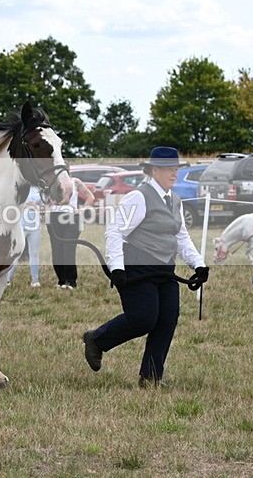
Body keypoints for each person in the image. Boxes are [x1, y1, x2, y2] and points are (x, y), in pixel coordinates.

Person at [82, 147, 209, 388]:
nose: (174, 173)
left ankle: (151, 377)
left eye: (176, 169)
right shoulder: (138, 197)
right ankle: (97, 340)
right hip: (137, 267)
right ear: (154, 170)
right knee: (143, 319)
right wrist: (117, 268)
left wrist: (198, 264)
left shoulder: (175, 200)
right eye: (170, 169)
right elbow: (115, 231)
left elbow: (181, 237)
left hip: (164, 270)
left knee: (167, 319)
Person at [46, 177, 95, 289]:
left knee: (68, 250)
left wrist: (81, 210)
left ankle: (71, 281)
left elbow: (90, 197)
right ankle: (61, 280)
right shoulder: (52, 183)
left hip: (72, 218)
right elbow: (47, 201)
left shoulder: (75, 182)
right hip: (54, 218)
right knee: (56, 250)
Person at [6, 186, 44, 287]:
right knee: (15, 253)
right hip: (21, 226)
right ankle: (7, 279)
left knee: (34, 253)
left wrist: (36, 206)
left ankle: (35, 280)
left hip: (35, 226)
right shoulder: (21, 188)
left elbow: (45, 207)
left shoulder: (39, 190)